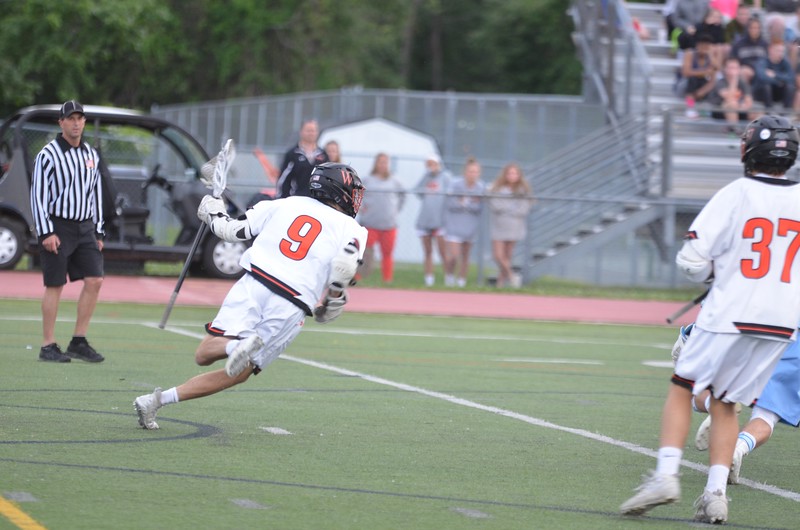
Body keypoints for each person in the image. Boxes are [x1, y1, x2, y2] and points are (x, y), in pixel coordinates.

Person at [620, 115, 800, 524]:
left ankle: (666, 475)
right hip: (781, 323)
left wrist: (718, 272)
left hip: (732, 313)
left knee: (683, 387)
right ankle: (715, 494)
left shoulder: (737, 192)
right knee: (726, 403)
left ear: (748, 150)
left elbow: (692, 261)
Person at [133, 163, 367, 430]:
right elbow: (344, 268)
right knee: (241, 372)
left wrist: (213, 210)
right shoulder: (352, 228)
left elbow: (231, 231)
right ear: (339, 190)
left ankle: (154, 401)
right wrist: (333, 300)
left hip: (253, 283)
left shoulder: (283, 203)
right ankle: (235, 350)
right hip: (291, 302)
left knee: (205, 354)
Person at [672, 323, 800, 485]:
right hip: (792, 338)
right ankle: (738, 448)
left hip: (745, 326)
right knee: (767, 414)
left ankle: (714, 405)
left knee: (696, 387)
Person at [29, 100, 106, 364]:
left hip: (85, 226)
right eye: (70, 118)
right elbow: (38, 195)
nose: (75, 123)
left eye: (79, 118)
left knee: (95, 279)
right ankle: (47, 344)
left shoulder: (91, 155)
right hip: (57, 226)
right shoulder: (47, 154)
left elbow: (95, 194)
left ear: (84, 122)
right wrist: (46, 231)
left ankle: (78, 340)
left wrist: (99, 231)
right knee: (55, 283)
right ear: (60, 122)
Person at [357, 153, 405, 284]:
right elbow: (357, 195)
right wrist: (361, 208)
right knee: (365, 253)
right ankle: (359, 278)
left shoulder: (395, 181)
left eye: (385, 162)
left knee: (387, 254)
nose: (383, 165)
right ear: (376, 163)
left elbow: (402, 197)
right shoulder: (367, 179)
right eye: (380, 162)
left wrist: (394, 211)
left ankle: (387, 280)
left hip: (389, 225)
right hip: (370, 223)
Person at [487, 163, 534, 288]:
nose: (512, 176)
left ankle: (500, 283)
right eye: (509, 173)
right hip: (499, 226)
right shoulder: (497, 188)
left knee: (507, 256)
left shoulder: (523, 190)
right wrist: (510, 207)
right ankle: (512, 276)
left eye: (515, 173)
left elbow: (523, 209)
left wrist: (507, 209)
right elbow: (495, 205)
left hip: (514, 226)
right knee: (497, 255)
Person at [442, 157, 485, 288]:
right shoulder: (455, 184)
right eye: (471, 171)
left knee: (466, 256)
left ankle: (462, 281)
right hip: (454, 226)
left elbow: (479, 207)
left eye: (476, 172)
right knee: (454, 255)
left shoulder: (481, 187)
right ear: (465, 172)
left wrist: (465, 203)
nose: (473, 174)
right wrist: (465, 203)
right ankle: (449, 276)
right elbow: (450, 203)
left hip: (470, 227)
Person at [413, 153, 452, 287]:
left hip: (439, 220)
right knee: (428, 252)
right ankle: (429, 280)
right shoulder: (426, 178)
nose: (431, 167)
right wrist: (427, 176)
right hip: (425, 220)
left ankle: (449, 278)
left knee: (442, 251)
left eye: (433, 164)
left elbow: (450, 193)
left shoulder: (445, 177)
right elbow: (417, 191)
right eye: (429, 164)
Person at [275, 119, 329, 198]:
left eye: (313, 130)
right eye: (308, 130)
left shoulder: (323, 154)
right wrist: (282, 198)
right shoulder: (292, 154)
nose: (311, 133)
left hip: (317, 200)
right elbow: (283, 179)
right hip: (297, 199)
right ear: (301, 132)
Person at [675, 32, 721, 117]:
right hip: (687, 84)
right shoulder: (689, 53)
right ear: (697, 45)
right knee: (692, 80)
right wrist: (704, 72)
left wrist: (710, 55)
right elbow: (686, 73)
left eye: (706, 46)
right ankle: (690, 107)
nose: (704, 48)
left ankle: (705, 107)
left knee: (716, 83)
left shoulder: (711, 57)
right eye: (702, 45)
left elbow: (717, 70)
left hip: (703, 86)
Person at [706, 56, 755, 132]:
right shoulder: (720, 82)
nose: (734, 71)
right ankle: (735, 130)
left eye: (736, 68)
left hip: (739, 110)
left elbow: (749, 100)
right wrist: (734, 79)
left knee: (757, 112)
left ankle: (753, 134)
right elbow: (729, 97)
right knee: (731, 104)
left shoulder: (743, 83)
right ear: (725, 69)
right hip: (719, 111)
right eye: (731, 68)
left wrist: (743, 106)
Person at [752, 41, 796, 110]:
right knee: (766, 86)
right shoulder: (762, 62)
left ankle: (787, 113)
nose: (780, 54)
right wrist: (780, 82)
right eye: (778, 51)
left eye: (782, 51)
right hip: (762, 94)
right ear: (770, 50)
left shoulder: (785, 62)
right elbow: (762, 77)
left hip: (778, 92)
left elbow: (791, 78)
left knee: (790, 87)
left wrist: (775, 75)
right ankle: (769, 113)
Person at [731, 16, 769, 84]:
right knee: (744, 73)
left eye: (757, 28)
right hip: (745, 69)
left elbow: (768, 61)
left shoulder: (764, 44)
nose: (755, 30)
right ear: (747, 29)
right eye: (753, 28)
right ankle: (746, 93)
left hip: (761, 69)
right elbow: (733, 60)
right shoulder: (739, 44)